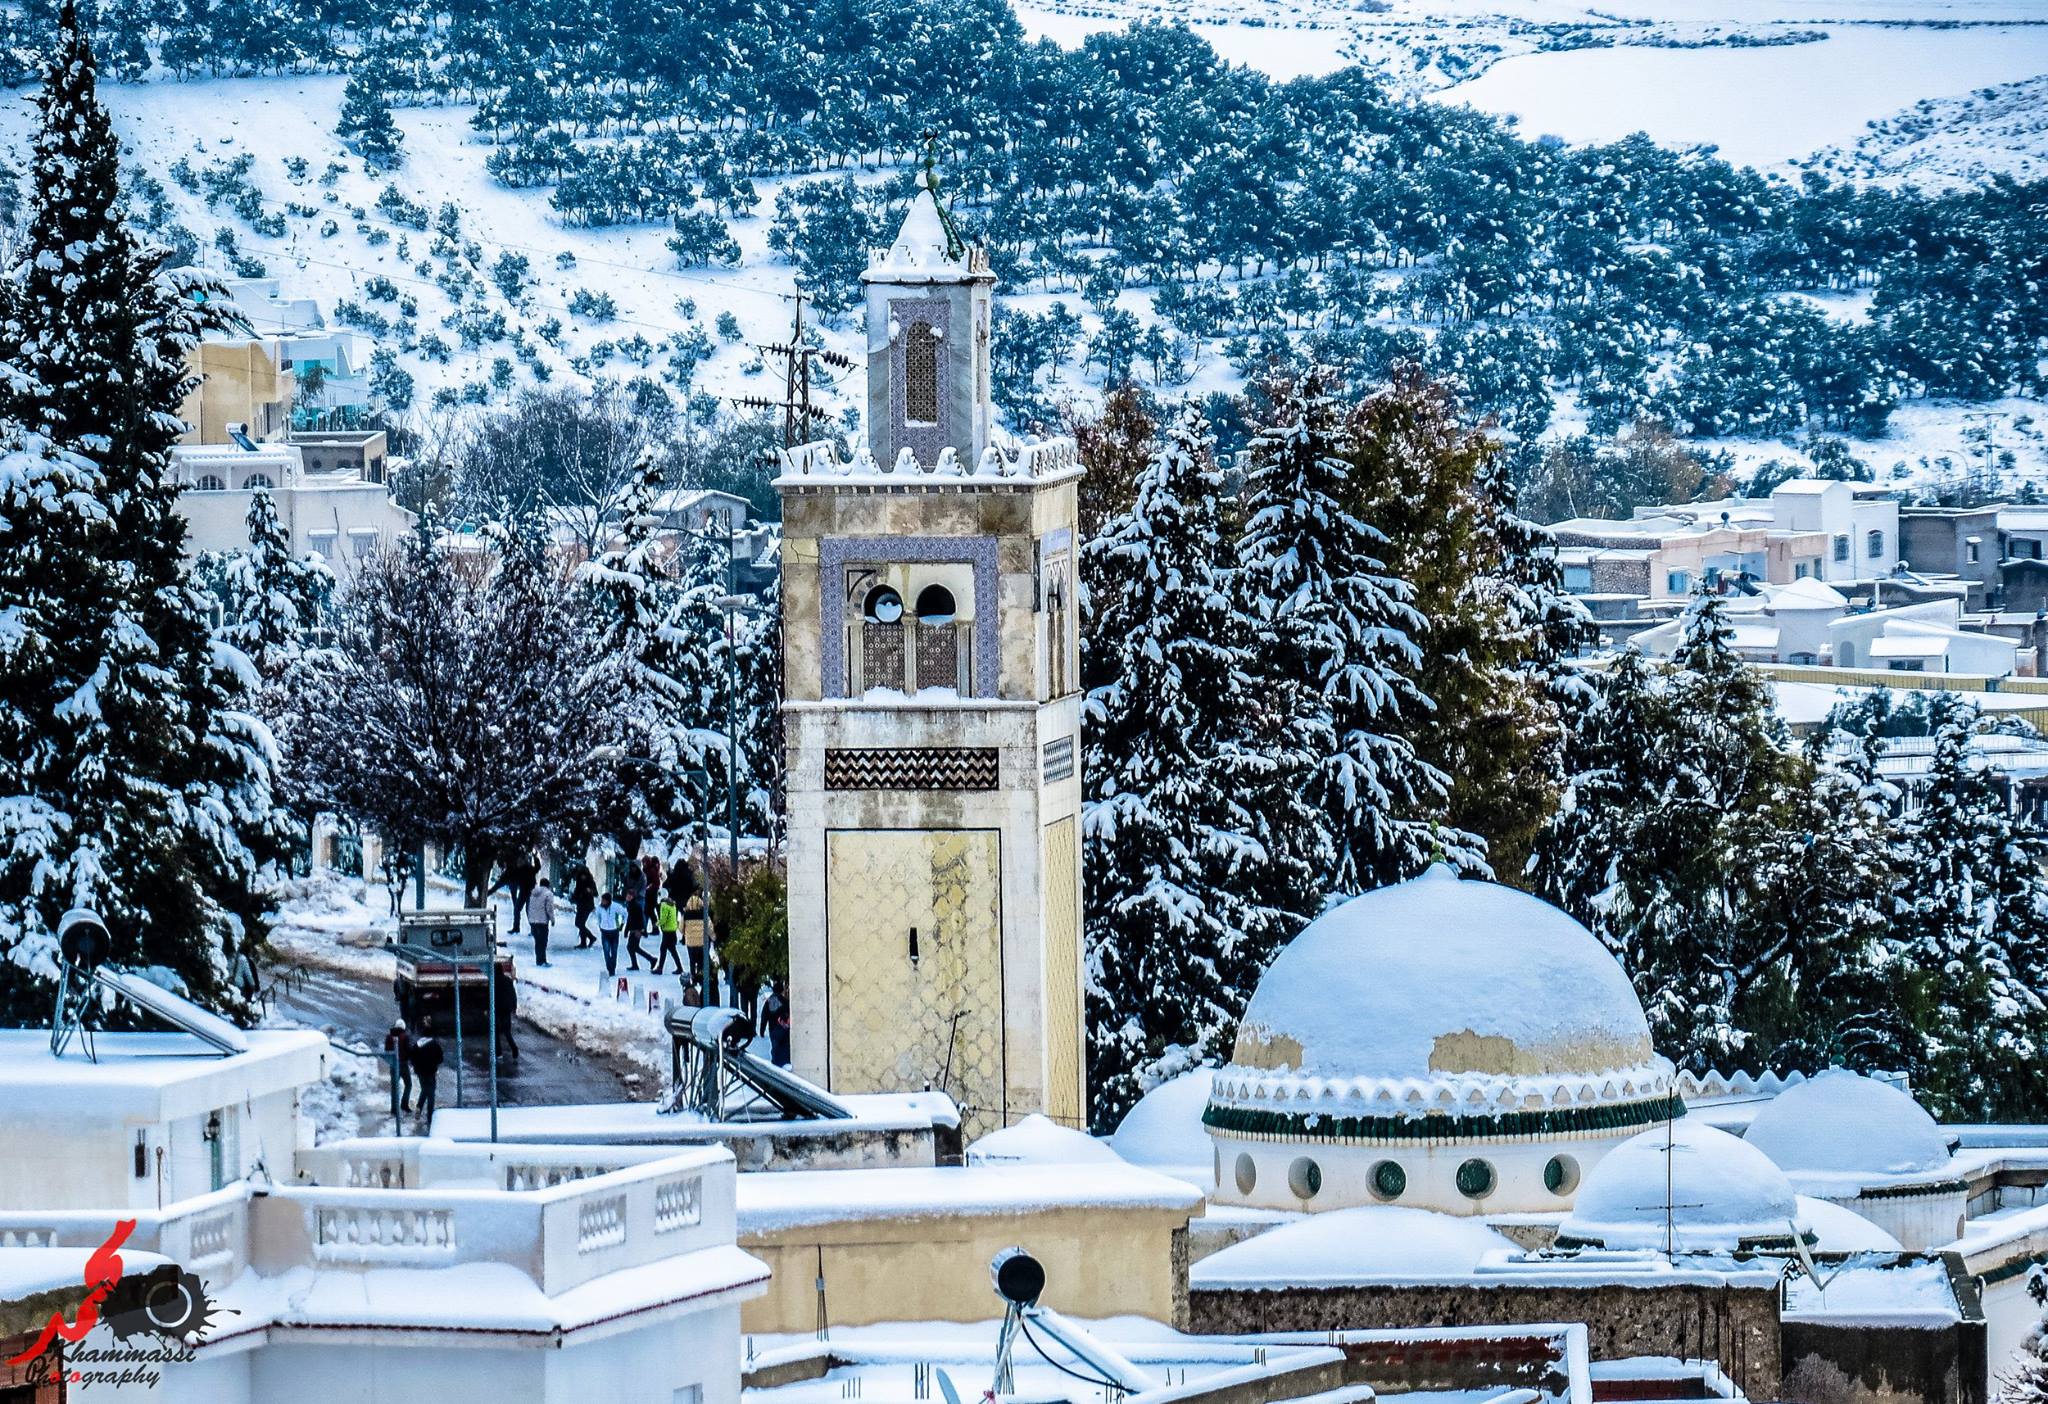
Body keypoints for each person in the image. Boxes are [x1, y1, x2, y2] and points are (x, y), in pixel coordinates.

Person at [410, 1018, 444, 1127]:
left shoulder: (417, 1045)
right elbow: (440, 1058)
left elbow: (412, 1059)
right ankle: (430, 1118)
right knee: (431, 1094)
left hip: (420, 1073)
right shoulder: (434, 1045)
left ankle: (419, 1107)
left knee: (424, 1089)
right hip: (430, 1072)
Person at [383, 1019, 414, 1112]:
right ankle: (404, 1104)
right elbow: (409, 1050)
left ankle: (394, 1108)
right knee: (408, 1084)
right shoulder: (405, 1037)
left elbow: (386, 1050)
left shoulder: (388, 1037)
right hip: (403, 1064)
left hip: (393, 1064)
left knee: (394, 1087)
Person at [492, 964, 520, 1061]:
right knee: (507, 1031)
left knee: (495, 1032)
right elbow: (513, 994)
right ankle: (514, 1048)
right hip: (506, 1009)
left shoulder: (493, 981)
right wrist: (514, 1006)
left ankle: (499, 1053)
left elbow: (491, 996)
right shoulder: (508, 980)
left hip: (497, 1009)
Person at [526, 878, 554, 967]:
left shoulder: (533, 893)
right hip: (542, 921)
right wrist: (552, 919)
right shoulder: (548, 894)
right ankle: (542, 960)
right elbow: (549, 908)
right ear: (548, 885)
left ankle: (538, 960)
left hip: (533, 921)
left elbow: (529, 907)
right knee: (543, 942)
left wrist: (530, 919)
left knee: (537, 941)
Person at [595, 890, 624, 975]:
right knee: (606, 951)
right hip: (604, 931)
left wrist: (622, 924)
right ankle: (609, 966)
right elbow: (598, 917)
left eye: (604, 900)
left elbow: (624, 913)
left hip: (614, 931)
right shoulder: (599, 908)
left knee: (614, 951)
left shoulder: (616, 906)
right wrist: (600, 925)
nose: (602, 902)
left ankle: (613, 968)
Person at [652, 892, 682, 975]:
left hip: (667, 931)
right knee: (671, 950)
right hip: (672, 930)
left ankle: (660, 968)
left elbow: (663, 919)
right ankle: (678, 967)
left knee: (664, 949)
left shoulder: (664, 905)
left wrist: (656, 924)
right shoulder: (672, 904)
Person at [621, 861, 646, 958]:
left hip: (639, 896)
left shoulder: (641, 876)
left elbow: (641, 886)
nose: (633, 869)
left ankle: (651, 959)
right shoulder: (629, 875)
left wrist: (640, 929)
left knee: (632, 947)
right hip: (633, 895)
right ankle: (649, 960)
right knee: (632, 947)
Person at [763, 981, 791, 1068]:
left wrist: (762, 1029)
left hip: (773, 1028)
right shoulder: (785, 1001)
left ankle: (775, 1062)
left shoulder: (770, 1001)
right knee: (783, 1045)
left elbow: (764, 1016)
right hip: (783, 1027)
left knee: (775, 1045)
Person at [571, 866, 597, 948]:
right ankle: (584, 942)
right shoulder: (579, 882)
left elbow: (595, 893)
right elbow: (577, 892)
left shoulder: (590, 882)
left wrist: (589, 891)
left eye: (584, 875)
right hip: (581, 904)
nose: (583, 877)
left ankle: (591, 938)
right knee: (580, 923)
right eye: (581, 875)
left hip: (587, 905)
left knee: (579, 923)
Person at [639, 854, 664, 937]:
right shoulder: (645, 870)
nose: (644, 864)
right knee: (648, 912)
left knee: (650, 912)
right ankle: (649, 928)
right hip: (647, 894)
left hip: (652, 894)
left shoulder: (651, 870)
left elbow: (656, 883)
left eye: (645, 862)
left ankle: (653, 928)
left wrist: (649, 887)